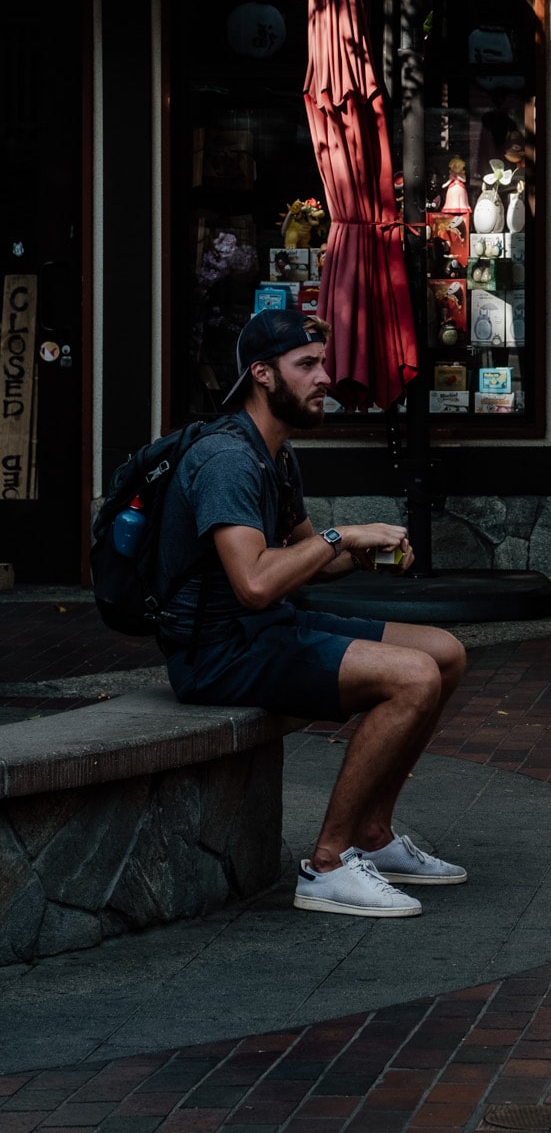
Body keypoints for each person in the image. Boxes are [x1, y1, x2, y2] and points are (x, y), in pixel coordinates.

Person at [156, 307, 467, 920]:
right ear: (263, 375)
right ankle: (326, 864)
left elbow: (310, 563)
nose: (325, 377)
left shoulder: (276, 453)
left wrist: (360, 553)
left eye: (322, 362)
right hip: (217, 651)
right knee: (413, 677)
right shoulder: (227, 460)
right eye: (307, 365)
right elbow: (252, 584)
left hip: (265, 629)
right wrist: (340, 534)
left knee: (444, 652)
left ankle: (373, 834)